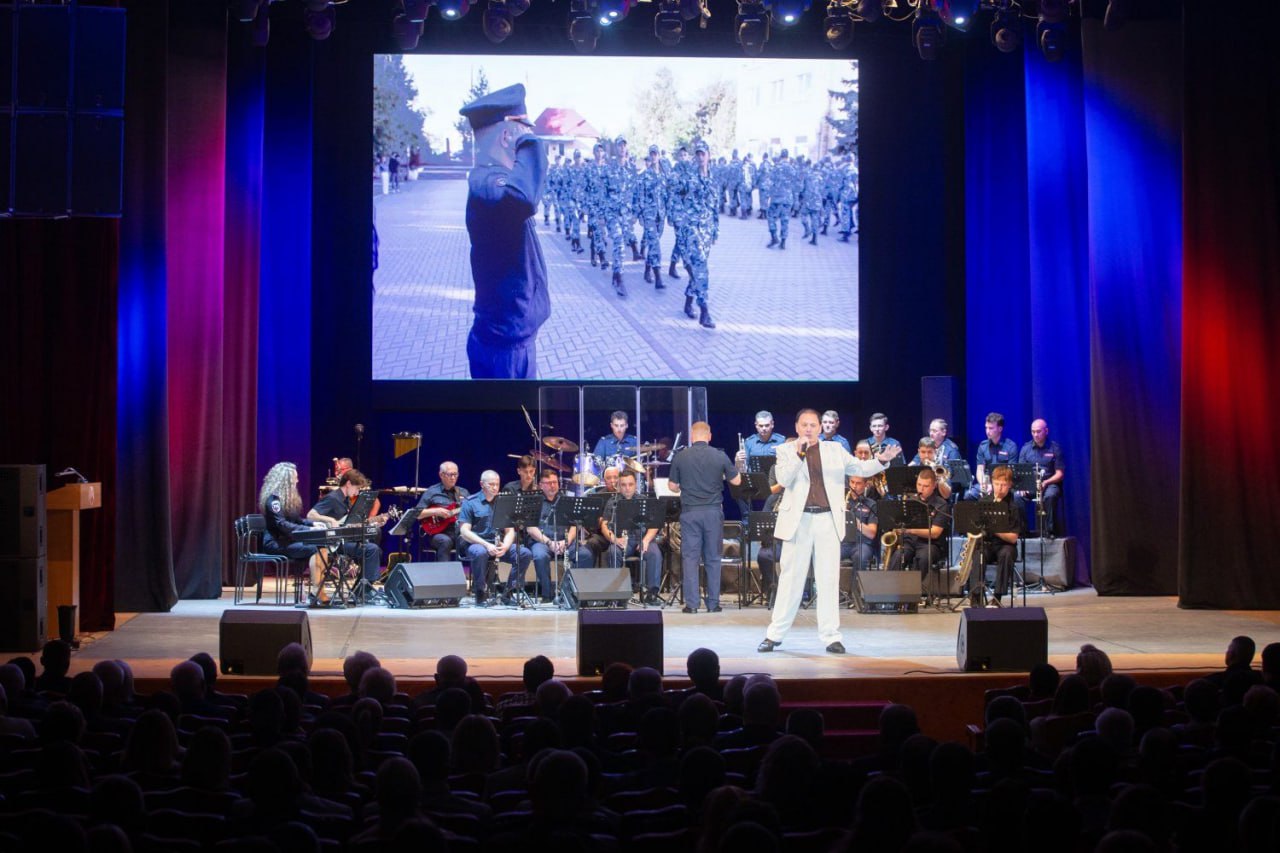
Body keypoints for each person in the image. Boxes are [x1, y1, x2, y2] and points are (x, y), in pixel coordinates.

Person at [759, 409, 881, 655]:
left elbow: (859, 467)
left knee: (828, 578)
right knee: (790, 578)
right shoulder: (785, 451)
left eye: (813, 425)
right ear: (796, 427)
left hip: (827, 518)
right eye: (804, 424)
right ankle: (774, 635)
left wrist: (882, 461)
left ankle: (831, 636)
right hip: (799, 519)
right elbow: (784, 478)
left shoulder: (834, 450)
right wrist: (799, 453)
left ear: (819, 427)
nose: (809, 429)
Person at [458, 83, 549, 380]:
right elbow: (524, 198)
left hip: (506, 343)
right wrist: (531, 142)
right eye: (524, 130)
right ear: (509, 135)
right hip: (505, 352)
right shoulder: (489, 184)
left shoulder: (492, 181)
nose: (528, 137)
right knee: (514, 427)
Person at [668, 421, 740, 613]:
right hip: (713, 512)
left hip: (690, 512)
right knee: (713, 558)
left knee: (690, 558)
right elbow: (737, 480)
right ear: (709, 436)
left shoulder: (681, 456)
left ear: (692, 436)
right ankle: (713, 603)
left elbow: (672, 486)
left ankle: (692, 605)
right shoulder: (720, 456)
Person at [457, 470, 533, 607]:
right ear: (482, 484)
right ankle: (480, 591)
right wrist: (486, 545)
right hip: (477, 543)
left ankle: (508, 592)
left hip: (498, 544)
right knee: (480, 552)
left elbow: (510, 531)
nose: (495, 487)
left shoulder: (503, 502)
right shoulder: (471, 502)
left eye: (497, 484)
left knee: (524, 553)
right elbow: (464, 531)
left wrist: (505, 546)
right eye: (491, 484)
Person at [257, 462, 329, 605]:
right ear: (285, 480)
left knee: (322, 546)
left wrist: (313, 524)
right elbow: (282, 524)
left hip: (287, 541)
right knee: (315, 549)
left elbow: (296, 520)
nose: (297, 481)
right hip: (275, 542)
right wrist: (309, 530)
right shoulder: (273, 500)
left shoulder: (286, 500)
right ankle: (317, 591)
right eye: (295, 478)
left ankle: (318, 590)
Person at [674, 139, 720, 329]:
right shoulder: (688, 177)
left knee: (697, 270)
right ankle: (704, 311)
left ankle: (687, 301)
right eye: (698, 154)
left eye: (703, 153)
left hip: (706, 231)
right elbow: (674, 190)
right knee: (701, 268)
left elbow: (715, 206)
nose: (701, 157)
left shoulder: (713, 179)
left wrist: (715, 229)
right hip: (691, 230)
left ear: (709, 155)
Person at [525, 469, 592, 602]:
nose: (553, 485)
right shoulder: (533, 501)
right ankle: (547, 594)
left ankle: (572, 592)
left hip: (565, 541)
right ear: (541, 485)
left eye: (555, 482)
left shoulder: (566, 500)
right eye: (549, 483)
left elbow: (575, 524)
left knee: (585, 555)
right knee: (540, 555)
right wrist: (549, 543)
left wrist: (566, 541)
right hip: (542, 542)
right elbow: (531, 529)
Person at [306, 469, 382, 582]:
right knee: (372, 550)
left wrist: (374, 522)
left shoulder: (346, 500)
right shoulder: (332, 497)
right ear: (348, 484)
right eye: (357, 488)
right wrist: (329, 519)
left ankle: (363, 587)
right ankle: (365, 589)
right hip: (333, 543)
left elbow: (347, 522)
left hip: (343, 539)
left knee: (374, 537)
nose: (357, 492)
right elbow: (310, 515)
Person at [601, 470, 664, 605]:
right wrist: (614, 539)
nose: (627, 488)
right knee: (612, 552)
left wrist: (646, 540)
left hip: (642, 538)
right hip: (622, 540)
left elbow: (655, 525)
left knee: (654, 554)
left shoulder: (644, 501)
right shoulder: (612, 502)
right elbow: (604, 525)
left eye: (630, 484)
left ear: (636, 485)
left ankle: (652, 594)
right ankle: (615, 594)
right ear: (618, 486)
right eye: (623, 485)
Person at [970, 465, 1025, 608]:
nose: (1000, 488)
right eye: (997, 484)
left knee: (1006, 555)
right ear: (991, 483)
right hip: (987, 544)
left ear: (1010, 485)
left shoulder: (1015, 505)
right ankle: (976, 597)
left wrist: (994, 529)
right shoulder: (984, 502)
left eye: (1003, 485)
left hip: (1006, 546)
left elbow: (1013, 538)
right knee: (978, 554)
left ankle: (997, 597)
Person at [887, 468, 951, 581]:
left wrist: (911, 530)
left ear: (934, 486)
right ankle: (890, 590)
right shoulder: (910, 500)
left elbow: (935, 533)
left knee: (923, 557)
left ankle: (912, 591)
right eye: (919, 484)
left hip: (930, 544)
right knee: (897, 556)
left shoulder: (941, 505)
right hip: (909, 542)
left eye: (925, 486)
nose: (921, 489)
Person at [411, 462, 469, 563]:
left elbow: (471, 512)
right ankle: (444, 576)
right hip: (437, 533)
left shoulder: (463, 492)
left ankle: (479, 577)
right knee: (445, 542)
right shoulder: (432, 492)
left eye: (456, 474)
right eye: (450, 474)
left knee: (475, 541)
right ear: (441, 475)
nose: (453, 478)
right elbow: (417, 514)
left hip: (458, 532)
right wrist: (435, 511)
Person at [734, 409, 787, 519]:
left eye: (767, 425)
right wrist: (738, 461)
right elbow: (743, 469)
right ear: (756, 425)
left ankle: (771, 521)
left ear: (772, 424)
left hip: (775, 482)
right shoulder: (749, 442)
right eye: (761, 426)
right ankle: (748, 522)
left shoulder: (781, 441)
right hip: (756, 482)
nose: (764, 429)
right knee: (739, 490)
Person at [1018, 418, 1064, 536]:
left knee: (1050, 495)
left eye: (1038, 431)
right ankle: (1023, 531)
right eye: (1033, 432)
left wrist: (1046, 482)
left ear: (1046, 431)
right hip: (1031, 484)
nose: (1035, 434)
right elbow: (1020, 471)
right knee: (1017, 496)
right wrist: (1023, 486)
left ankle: (1049, 531)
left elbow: (1060, 473)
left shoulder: (1055, 448)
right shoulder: (1025, 449)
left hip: (1049, 483)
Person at [967, 412, 1019, 499]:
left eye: (991, 428)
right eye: (986, 428)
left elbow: (1010, 472)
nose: (987, 431)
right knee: (969, 495)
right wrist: (984, 484)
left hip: (1003, 483)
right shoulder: (982, 446)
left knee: (1016, 497)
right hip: (987, 483)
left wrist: (996, 485)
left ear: (1000, 429)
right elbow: (980, 470)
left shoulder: (1010, 446)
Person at [846, 474, 879, 571]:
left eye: (858, 483)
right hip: (844, 543)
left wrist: (854, 521)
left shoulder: (871, 504)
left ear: (865, 485)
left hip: (863, 544)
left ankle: (856, 586)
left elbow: (872, 533)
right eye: (852, 482)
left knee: (860, 557)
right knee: (827, 553)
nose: (854, 486)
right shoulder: (842, 501)